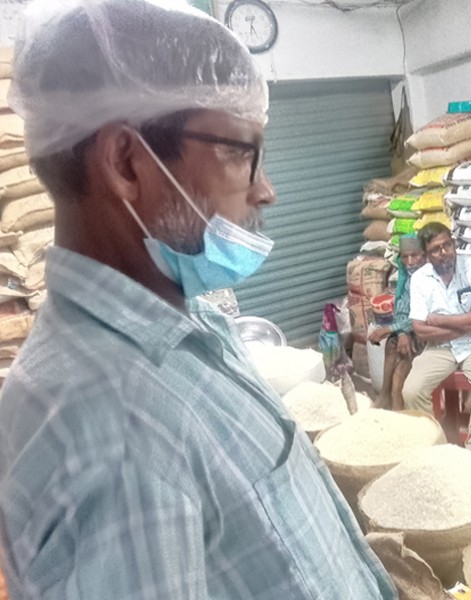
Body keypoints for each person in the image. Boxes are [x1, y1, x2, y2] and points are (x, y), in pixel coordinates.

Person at [0, 1, 395, 597]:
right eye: (239, 152)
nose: (267, 190)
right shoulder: (111, 432)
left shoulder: (184, 319)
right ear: (127, 163)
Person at [402, 223, 471, 451]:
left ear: (454, 244)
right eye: (436, 249)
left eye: (447, 245)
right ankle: (439, 450)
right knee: (412, 390)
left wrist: (439, 320)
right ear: (427, 256)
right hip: (440, 347)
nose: (444, 252)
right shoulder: (419, 279)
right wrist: (468, 321)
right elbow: (420, 329)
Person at [369, 234, 427, 410]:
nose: (409, 261)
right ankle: (385, 394)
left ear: (424, 255)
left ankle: (396, 399)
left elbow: (423, 315)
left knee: (402, 363)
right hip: (410, 329)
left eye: (415, 255)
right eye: (405, 256)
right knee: (394, 342)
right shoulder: (404, 277)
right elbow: (400, 309)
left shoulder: (429, 279)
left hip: (428, 332)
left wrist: (389, 329)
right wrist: (400, 332)